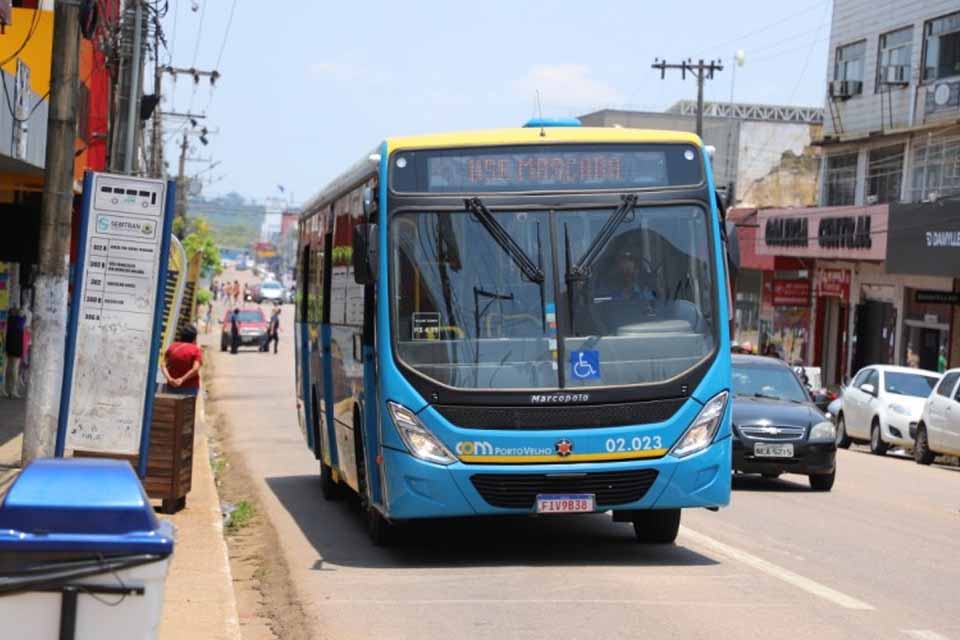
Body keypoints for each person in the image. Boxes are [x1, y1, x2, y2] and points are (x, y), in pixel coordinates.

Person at [161, 325, 202, 399]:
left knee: (171, 408)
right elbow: (195, 369)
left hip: (171, 387)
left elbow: (163, 365)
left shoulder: (172, 347)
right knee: (187, 409)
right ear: (194, 338)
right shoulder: (195, 350)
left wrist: (170, 379)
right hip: (190, 388)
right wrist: (182, 379)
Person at [2, 307, 24, 398]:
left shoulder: (8, 322)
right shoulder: (20, 321)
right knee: (15, 369)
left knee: (8, 368)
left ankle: (7, 388)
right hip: (17, 348)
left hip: (8, 347)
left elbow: (5, 334)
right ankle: (13, 390)